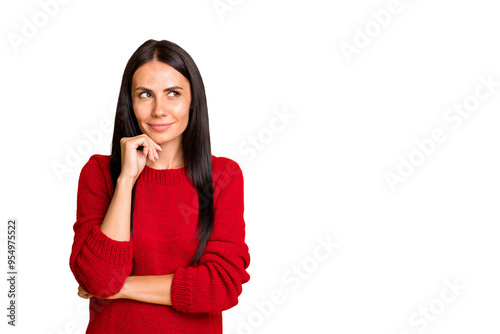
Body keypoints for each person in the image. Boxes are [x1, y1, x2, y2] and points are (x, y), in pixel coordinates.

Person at [68, 39, 250, 333]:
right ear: (130, 101)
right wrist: (126, 180)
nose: (159, 110)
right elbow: (100, 277)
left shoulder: (223, 175)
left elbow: (221, 286)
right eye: (145, 95)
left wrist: (120, 288)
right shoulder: (100, 173)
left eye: (173, 94)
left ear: (193, 100)